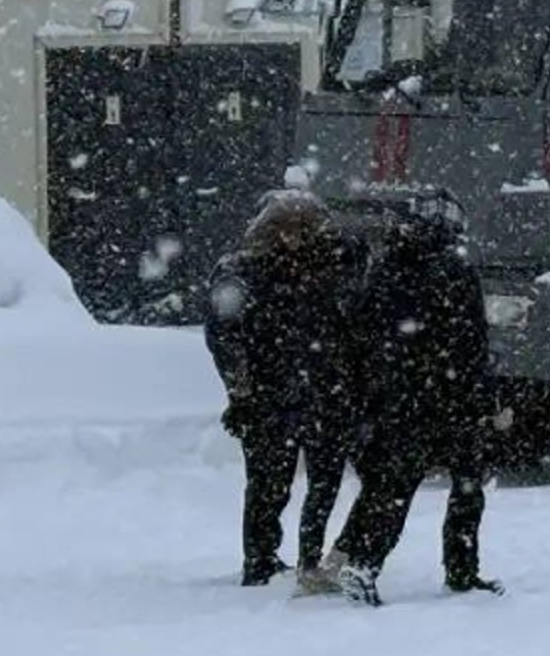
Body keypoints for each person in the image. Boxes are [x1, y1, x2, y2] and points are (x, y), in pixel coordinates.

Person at [316, 195, 501, 608]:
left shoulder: (385, 269)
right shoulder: (453, 270)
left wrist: (372, 390)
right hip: (452, 394)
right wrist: (481, 392)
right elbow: (471, 339)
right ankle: (460, 570)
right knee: (466, 486)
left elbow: (362, 333)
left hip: (400, 396)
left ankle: (363, 561)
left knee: (395, 485)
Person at [205, 190, 357, 586]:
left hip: (289, 393)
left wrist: (241, 392)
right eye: (285, 229)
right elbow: (225, 336)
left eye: (301, 229)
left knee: (275, 484)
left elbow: (224, 337)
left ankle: (271, 559)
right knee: (297, 483)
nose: (293, 238)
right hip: (308, 391)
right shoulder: (329, 268)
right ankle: (289, 559)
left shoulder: (246, 270)